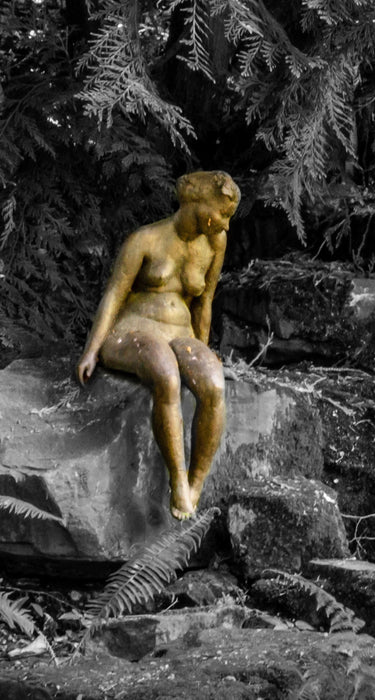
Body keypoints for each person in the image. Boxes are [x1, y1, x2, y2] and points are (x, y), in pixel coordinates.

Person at [75, 171, 238, 520]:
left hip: (181, 333)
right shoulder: (145, 239)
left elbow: (204, 302)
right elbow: (114, 294)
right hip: (133, 331)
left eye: (228, 218)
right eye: (222, 215)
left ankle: (196, 483)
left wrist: (202, 351)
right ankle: (177, 481)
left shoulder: (214, 244)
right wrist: (92, 349)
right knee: (165, 372)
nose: (224, 226)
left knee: (212, 382)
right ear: (201, 206)